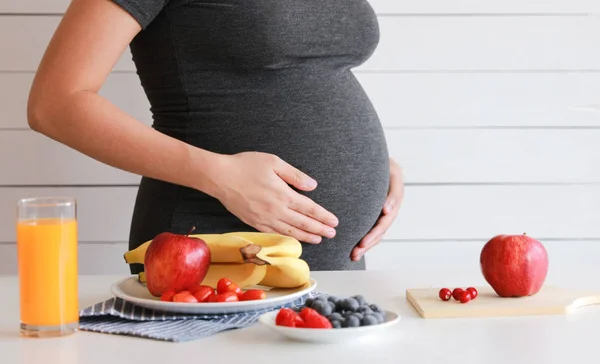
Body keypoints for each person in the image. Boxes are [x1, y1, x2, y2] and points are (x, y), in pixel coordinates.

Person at [27, 0, 404, 272]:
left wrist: (371, 165)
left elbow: (308, 75)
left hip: (334, 259)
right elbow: (56, 103)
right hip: (209, 247)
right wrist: (222, 176)